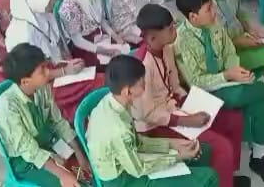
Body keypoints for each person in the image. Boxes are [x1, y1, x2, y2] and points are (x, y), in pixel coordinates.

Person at [174, 0, 264, 187]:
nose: (215, 11)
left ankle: (259, 158)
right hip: (202, 91)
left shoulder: (214, 24)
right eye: (209, 8)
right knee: (241, 94)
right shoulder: (182, 40)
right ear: (193, 17)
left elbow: (229, 52)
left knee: (260, 100)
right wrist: (227, 76)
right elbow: (196, 81)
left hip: (225, 80)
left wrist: (235, 71)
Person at [132, 4, 250, 187]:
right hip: (155, 126)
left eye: (174, 24)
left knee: (233, 120)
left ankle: (227, 176)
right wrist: (186, 120)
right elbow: (146, 115)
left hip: (175, 107)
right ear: (152, 37)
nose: (175, 30)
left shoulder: (166, 47)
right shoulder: (141, 68)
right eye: (170, 28)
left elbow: (174, 85)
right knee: (221, 148)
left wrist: (192, 102)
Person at [87, 54, 219, 187]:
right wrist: (177, 156)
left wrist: (174, 144)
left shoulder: (111, 102)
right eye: (141, 83)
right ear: (127, 91)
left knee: (204, 151)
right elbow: (138, 169)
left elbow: (136, 142)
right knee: (210, 177)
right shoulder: (118, 129)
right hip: (123, 179)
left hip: (130, 161)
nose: (145, 86)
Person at [3, 0, 105, 119]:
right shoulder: (21, 34)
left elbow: (60, 45)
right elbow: (35, 77)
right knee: (100, 82)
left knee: (99, 76)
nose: (53, 2)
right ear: (33, 1)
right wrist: (65, 71)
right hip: (44, 86)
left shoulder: (43, 16)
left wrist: (70, 62)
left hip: (58, 70)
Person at [0, 43, 93, 187]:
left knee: (90, 163)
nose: (48, 72)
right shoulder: (7, 108)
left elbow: (58, 122)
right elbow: (29, 150)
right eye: (42, 70)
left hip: (48, 143)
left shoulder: (41, 88)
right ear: (25, 81)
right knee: (75, 182)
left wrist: (78, 152)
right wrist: (62, 174)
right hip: (26, 160)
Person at [58, 0, 127, 67]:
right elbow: (77, 41)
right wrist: (103, 51)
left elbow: (101, 20)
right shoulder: (70, 7)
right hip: (86, 47)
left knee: (125, 52)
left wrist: (115, 36)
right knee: (116, 63)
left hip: (99, 38)